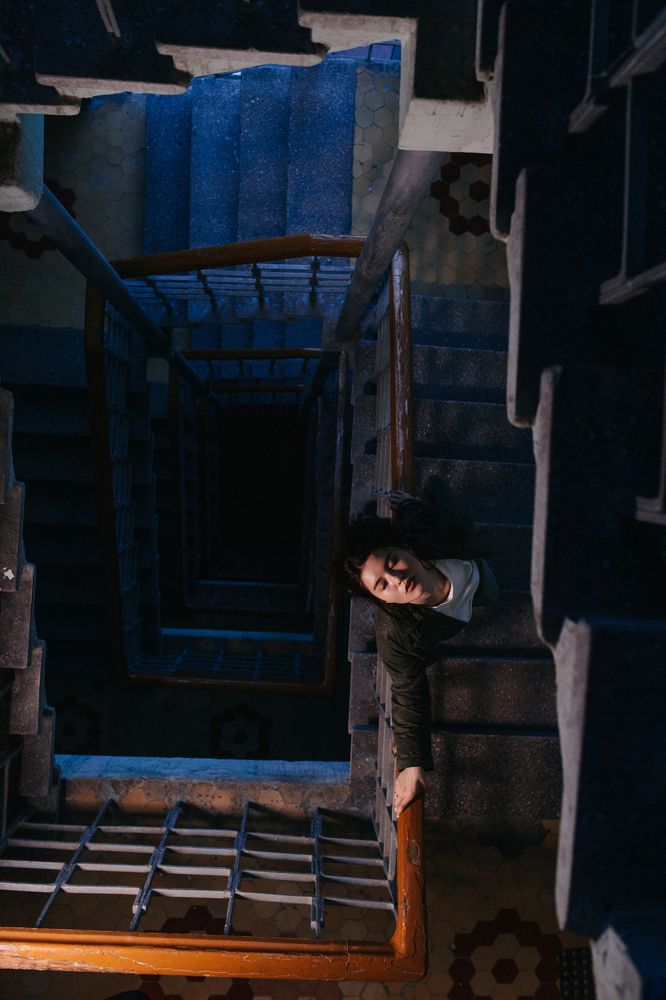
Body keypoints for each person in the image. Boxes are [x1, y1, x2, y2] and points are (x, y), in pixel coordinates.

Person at [338, 481, 499, 817]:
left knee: (492, 591)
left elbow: (440, 498)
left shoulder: (431, 531)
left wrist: (413, 503)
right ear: (379, 599)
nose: (398, 579)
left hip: (475, 568)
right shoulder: (395, 633)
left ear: (405, 549)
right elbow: (407, 690)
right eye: (383, 585)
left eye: (393, 561)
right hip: (457, 614)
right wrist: (412, 765)